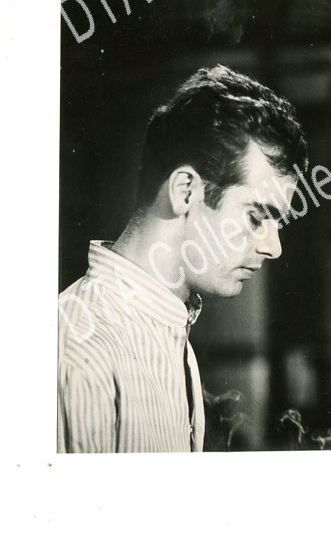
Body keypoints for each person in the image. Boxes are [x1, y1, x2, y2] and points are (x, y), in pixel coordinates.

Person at [58, 65, 307, 452]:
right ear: (185, 191)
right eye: (257, 217)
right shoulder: (80, 353)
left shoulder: (167, 331)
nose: (274, 248)